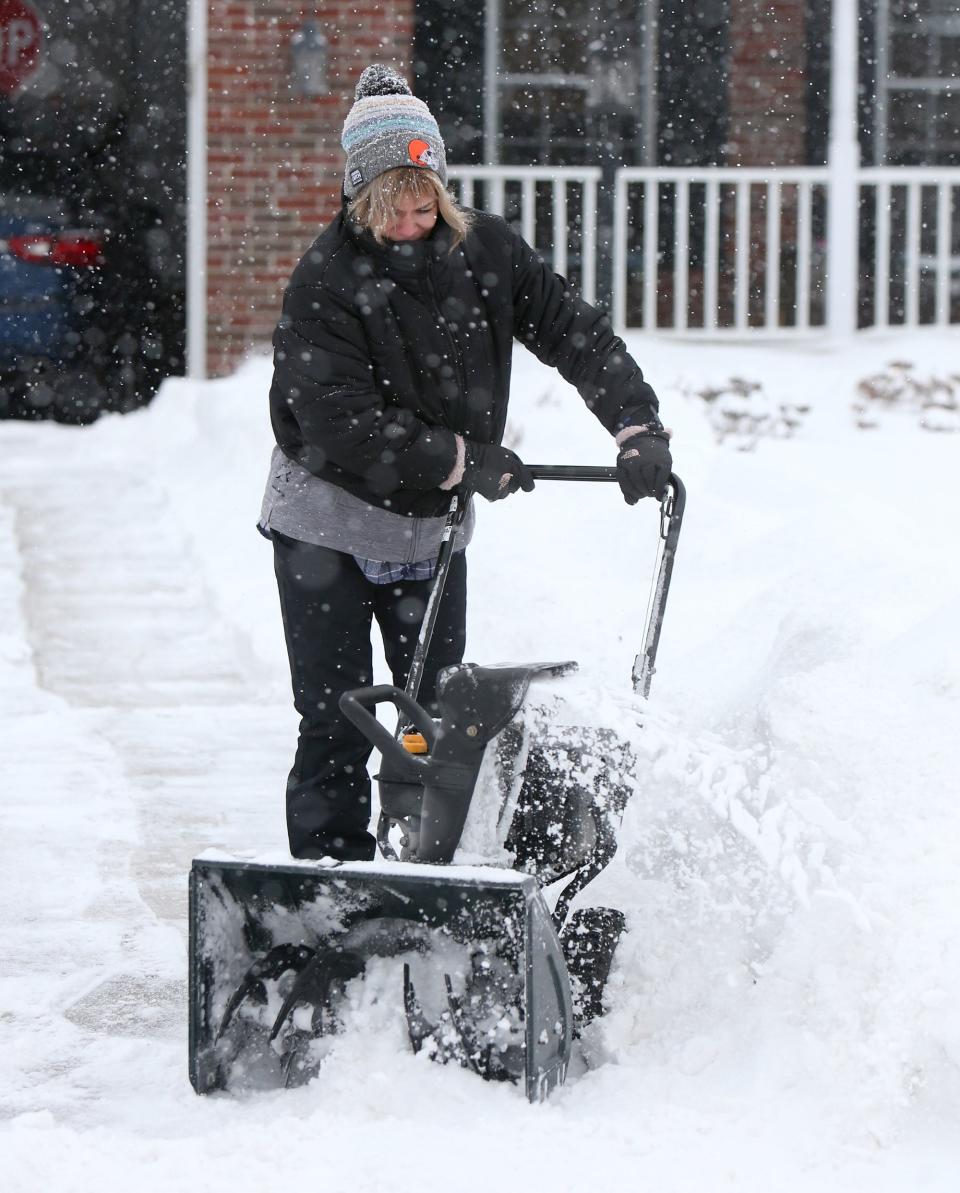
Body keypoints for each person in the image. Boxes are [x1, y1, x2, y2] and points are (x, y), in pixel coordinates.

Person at [259, 63, 673, 862]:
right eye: (394, 210)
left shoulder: (485, 251)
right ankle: (329, 874)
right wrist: (459, 458)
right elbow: (337, 420)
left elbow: (572, 331)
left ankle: (422, 865)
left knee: (429, 718)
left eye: (426, 204)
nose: (414, 222)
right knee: (337, 712)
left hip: (425, 528)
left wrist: (636, 426)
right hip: (326, 522)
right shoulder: (326, 280)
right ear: (359, 199)